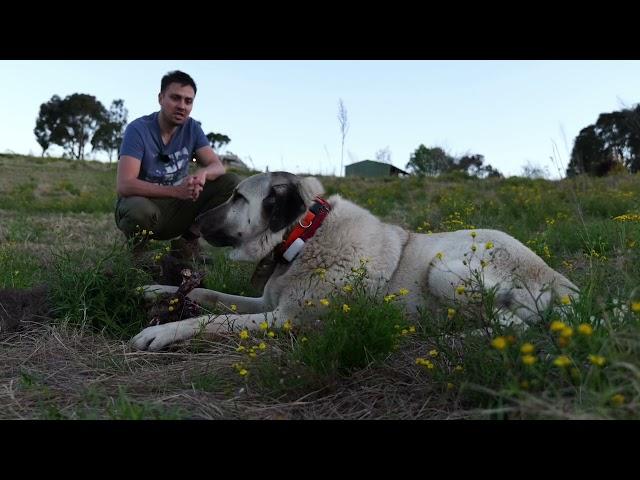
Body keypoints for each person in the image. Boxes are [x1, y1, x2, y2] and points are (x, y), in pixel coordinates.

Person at [114, 70, 239, 260]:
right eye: (175, 98)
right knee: (139, 210)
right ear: (161, 98)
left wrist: (202, 174)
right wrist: (176, 191)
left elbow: (218, 166)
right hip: (145, 205)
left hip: (177, 209)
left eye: (188, 101)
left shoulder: (192, 128)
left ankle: (187, 243)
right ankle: (138, 254)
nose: (182, 106)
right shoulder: (138, 129)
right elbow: (125, 185)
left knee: (231, 183)